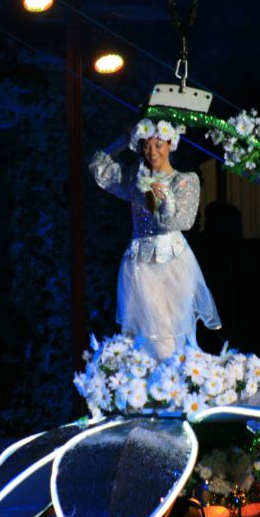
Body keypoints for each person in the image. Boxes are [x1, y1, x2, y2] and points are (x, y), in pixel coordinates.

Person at [89, 119, 221, 360]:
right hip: (142, 263)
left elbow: (184, 222)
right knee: (153, 332)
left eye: (158, 145)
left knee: (175, 330)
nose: (152, 152)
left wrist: (166, 201)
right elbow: (98, 167)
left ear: (170, 144)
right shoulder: (135, 178)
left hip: (174, 260)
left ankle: (176, 376)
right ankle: (159, 375)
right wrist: (124, 138)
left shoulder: (185, 180)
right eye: (146, 145)